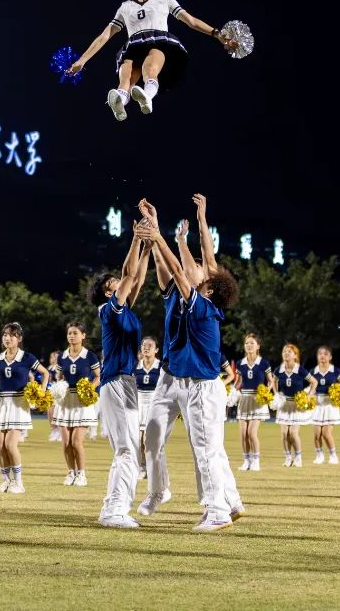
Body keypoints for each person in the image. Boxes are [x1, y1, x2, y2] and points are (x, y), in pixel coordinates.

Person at [133, 202, 242, 532]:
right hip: (170, 378)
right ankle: (163, 491)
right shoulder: (182, 297)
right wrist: (167, 227)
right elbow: (176, 266)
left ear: (208, 286)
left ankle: (218, 510)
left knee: (206, 450)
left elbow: (183, 272)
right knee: (153, 436)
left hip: (200, 386)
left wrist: (159, 236)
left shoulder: (204, 308)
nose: (192, 265)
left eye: (197, 268)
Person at [66, 0, 240, 120]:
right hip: (133, 47)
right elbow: (104, 36)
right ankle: (120, 101)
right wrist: (82, 61)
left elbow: (191, 21)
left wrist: (217, 34)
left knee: (149, 67)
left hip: (159, 44)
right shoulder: (125, 7)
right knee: (126, 73)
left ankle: (147, 96)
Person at [91, 225, 150, 528]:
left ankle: (115, 507)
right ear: (108, 291)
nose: (121, 282)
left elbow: (136, 279)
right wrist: (137, 238)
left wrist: (149, 249)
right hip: (115, 381)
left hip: (125, 381)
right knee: (127, 449)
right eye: (113, 282)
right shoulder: (108, 309)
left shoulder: (124, 309)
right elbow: (129, 275)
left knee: (129, 449)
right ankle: (114, 511)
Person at [0, 323, 50, 494]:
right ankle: (6, 481)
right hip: (1, 403)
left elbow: (45, 373)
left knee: (10, 445)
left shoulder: (27, 357)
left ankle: (19, 482)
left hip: (18, 404)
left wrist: (41, 391)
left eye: (12, 335)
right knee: (0, 446)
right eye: (5, 335)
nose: (7, 338)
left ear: (19, 338)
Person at [51, 322, 101, 487]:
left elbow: (98, 376)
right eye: (70, 333)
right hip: (65, 401)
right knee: (66, 443)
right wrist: (58, 388)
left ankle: (82, 474)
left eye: (75, 333)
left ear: (83, 336)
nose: (72, 336)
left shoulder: (89, 356)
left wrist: (89, 388)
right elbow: (59, 378)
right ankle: (71, 472)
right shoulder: (62, 356)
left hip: (82, 402)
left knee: (76, 442)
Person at [273, 344, 316, 467]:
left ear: (295, 356)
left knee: (293, 433)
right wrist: (276, 394)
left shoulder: (300, 369)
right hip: (284, 405)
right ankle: (288, 458)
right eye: (285, 351)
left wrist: (309, 396)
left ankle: (298, 457)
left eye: (289, 352)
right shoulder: (279, 369)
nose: (286, 353)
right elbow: (274, 381)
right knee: (284, 433)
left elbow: (314, 382)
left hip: (297, 405)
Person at [234, 333, 272, 472]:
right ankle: (246, 461)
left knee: (251, 433)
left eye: (252, 343)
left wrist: (265, 392)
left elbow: (271, 381)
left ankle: (256, 461)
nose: (249, 345)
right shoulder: (240, 363)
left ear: (258, 346)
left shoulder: (264, 363)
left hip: (257, 401)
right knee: (243, 434)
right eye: (247, 343)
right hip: (244, 400)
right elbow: (238, 383)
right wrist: (231, 392)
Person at [309, 346, 340, 465]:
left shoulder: (336, 371)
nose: (322, 356)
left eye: (325, 354)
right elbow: (311, 387)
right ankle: (319, 456)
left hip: (330, 405)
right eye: (320, 354)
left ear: (330, 357)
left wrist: (338, 392)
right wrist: (310, 396)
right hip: (317, 404)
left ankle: (333, 455)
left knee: (326, 433)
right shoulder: (313, 371)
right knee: (316, 434)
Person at [134, 337, 161, 478]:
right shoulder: (135, 366)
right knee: (137, 440)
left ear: (156, 350)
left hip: (154, 404)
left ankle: (152, 467)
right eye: (144, 345)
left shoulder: (161, 367)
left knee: (148, 440)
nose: (146, 347)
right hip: (138, 404)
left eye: (150, 345)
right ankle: (141, 467)